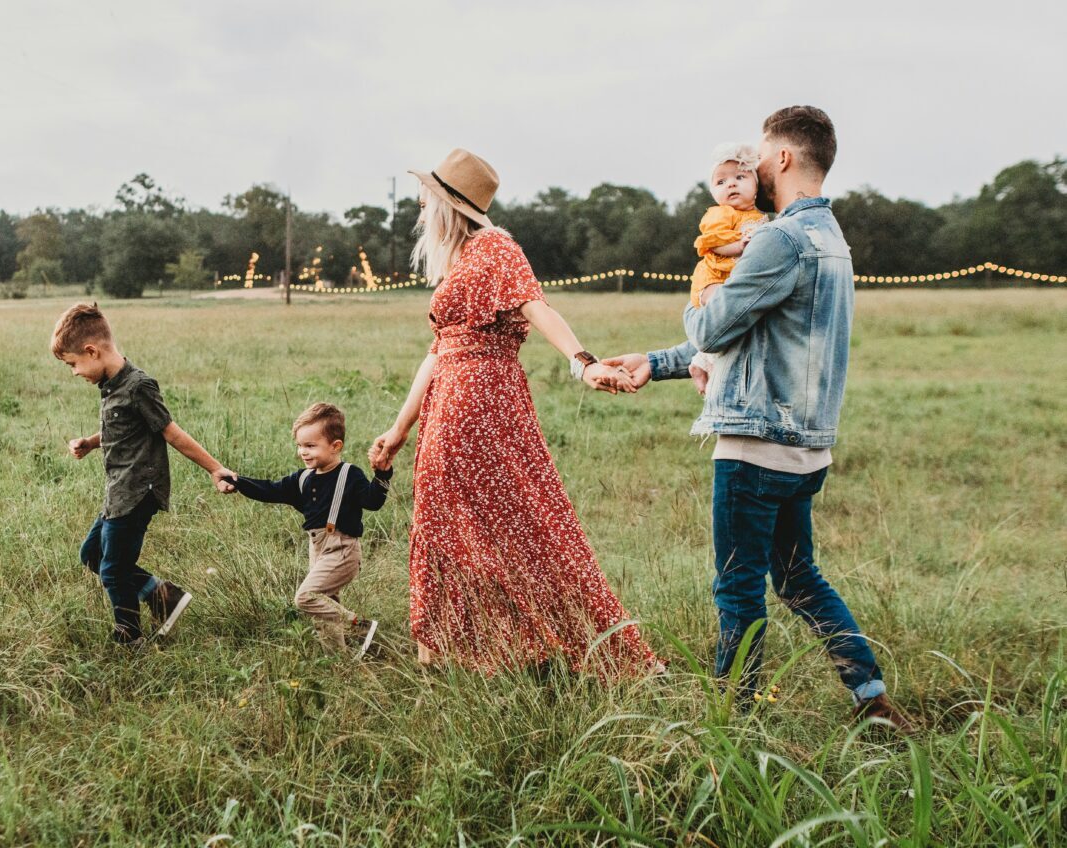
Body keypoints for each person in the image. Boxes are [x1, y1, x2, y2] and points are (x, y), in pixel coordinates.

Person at [603, 107, 913, 730]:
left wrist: (702, 298)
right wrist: (657, 362)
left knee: (737, 587)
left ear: (785, 159)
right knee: (799, 579)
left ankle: (731, 719)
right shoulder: (832, 240)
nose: (753, 167)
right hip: (807, 449)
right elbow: (755, 335)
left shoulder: (778, 238)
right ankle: (871, 698)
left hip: (755, 444)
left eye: (761, 155)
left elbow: (716, 325)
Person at [368, 148, 660, 676]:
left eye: (426, 197)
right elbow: (437, 352)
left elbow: (536, 306)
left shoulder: (495, 247)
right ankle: (457, 649)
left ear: (448, 204)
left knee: (520, 522)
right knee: (449, 523)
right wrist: (398, 428)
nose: (418, 205)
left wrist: (582, 362)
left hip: (480, 401)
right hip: (449, 402)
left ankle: (543, 644)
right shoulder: (459, 259)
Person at [52, 303, 237, 648]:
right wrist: (92, 443)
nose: (74, 372)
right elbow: (121, 429)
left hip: (138, 492)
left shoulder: (139, 386)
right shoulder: (110, 385)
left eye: (73, 364)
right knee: (92, 555)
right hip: (118, 491)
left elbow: (171, 433)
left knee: (113, 569)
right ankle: (163, 597)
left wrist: (216, 469)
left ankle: (129, 637)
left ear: (92, 351)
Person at [222, 403, 390, 658]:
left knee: (306, 597)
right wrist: (238, 482)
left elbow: (373, 502)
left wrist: (382, 473)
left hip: (343, 550)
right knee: (324, 610)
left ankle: (359, 627)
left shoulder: (349, 474)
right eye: (300, 445)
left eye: (311, 446)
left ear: (336, 446)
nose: (303, 452)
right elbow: (270, 490)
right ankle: (338, 662)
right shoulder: (303, 479)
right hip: (318, 549)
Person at [687, 143, 768, 391]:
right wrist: (739, 246)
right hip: (712, 278)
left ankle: (701, 362)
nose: (730, 184)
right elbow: (713, 242)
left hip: (731, 279)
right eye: (721, 182)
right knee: (724, 314)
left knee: (735, 321)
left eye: (740, 177)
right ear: (713, 192)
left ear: (756, 185)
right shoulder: (721, 213)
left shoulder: (759, 217)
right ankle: (704, 364)